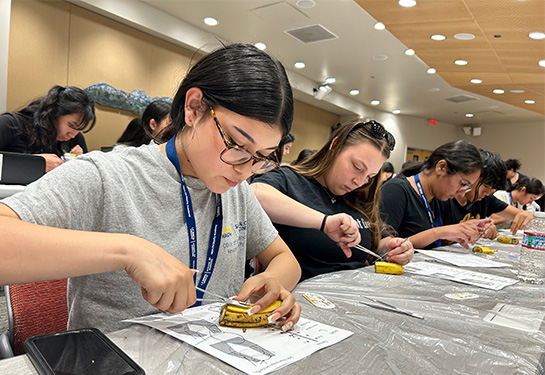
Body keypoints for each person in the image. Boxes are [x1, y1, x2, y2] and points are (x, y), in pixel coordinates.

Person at [0, 43, 301, 333]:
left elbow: (285, 259)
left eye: (262, 156)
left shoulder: (235, 190)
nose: (245, 168)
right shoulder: (109, 175)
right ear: (194, 107)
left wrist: (273, 281)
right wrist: (128, 250)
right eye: (236, 144)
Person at [251, 120, 414, 281]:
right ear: (335, 146)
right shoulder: (289, 180)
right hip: (301, 293)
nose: (359, 181)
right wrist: (324, 222)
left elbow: (377, 240)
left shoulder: (361, 194)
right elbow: (255, 195)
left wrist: (392, 248)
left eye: (369, 176)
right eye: (357, 167)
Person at [380, 140, 490, 249]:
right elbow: (386, 246)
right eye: (463, 183)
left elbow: (435, 243)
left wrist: (457, 234)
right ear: (441, 167)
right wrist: (438, 233)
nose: (462, 192)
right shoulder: (396, 191)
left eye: (467, 187)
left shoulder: (440, 197)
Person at [438, 150, 534, 239]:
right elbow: (434, 238)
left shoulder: (485, 198)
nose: (487, 193)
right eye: (485, 186)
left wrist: (527, 215)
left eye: (492, 188)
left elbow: (519, 215)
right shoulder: (444, 197)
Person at [0, 85, 96, 172]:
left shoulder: (72, 138)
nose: (72, 135)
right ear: (53, 113)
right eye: (71, 125)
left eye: (79, 129)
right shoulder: (9, 123)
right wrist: (34, 163)